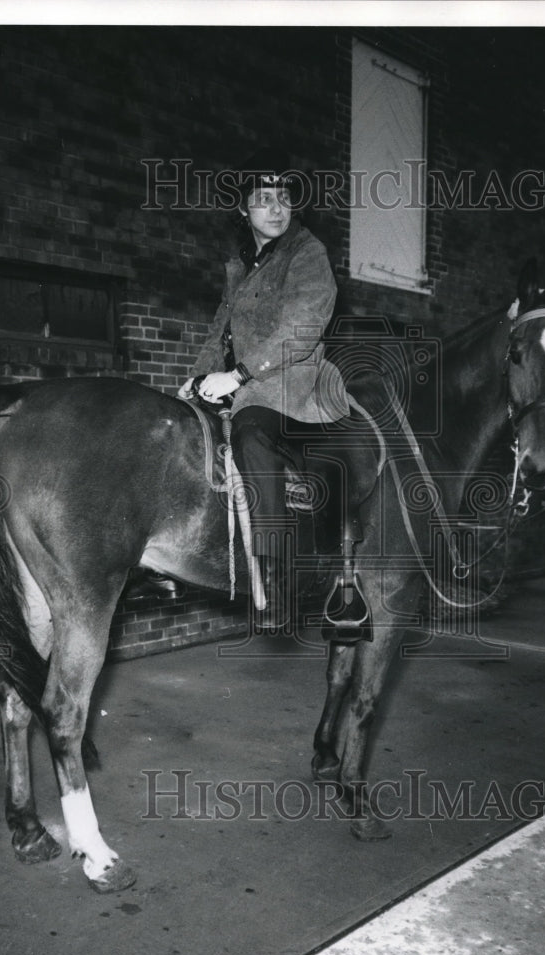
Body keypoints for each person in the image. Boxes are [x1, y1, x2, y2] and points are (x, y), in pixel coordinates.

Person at [178, 149, 351, 627]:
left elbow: (303, 326)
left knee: (251, 433)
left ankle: (277, 574)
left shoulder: (307, 252)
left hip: (292, 388)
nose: (276, 208)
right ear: (244, 210)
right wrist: (195, 380)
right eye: (264, 199)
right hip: (245, 384)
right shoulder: (240, 264)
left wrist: (236, 376)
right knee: (182, 432)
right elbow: (221, 331)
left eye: (284, 198)